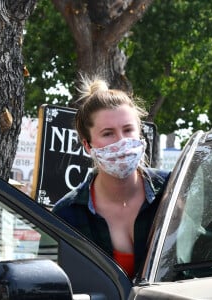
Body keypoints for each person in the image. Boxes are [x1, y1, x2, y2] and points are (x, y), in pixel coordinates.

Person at [52, 76, 170, 279]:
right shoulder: (67, 215)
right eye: (108, 134)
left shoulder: (172, 190)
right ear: (87, 145)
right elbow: (56, 286)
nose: (121, 142)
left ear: (140, 132)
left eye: (128, 130)